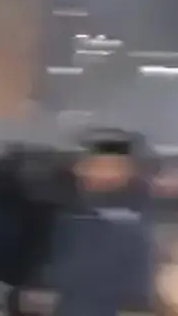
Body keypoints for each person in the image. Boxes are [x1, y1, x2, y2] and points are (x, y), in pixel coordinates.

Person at [24, 128, 156, 316]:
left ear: (130, 170)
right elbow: (45, 258)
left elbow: (142, 274)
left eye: (113, 166)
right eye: (96, 165)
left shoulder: (140, 214)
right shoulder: (62, 209)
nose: (105, 174)